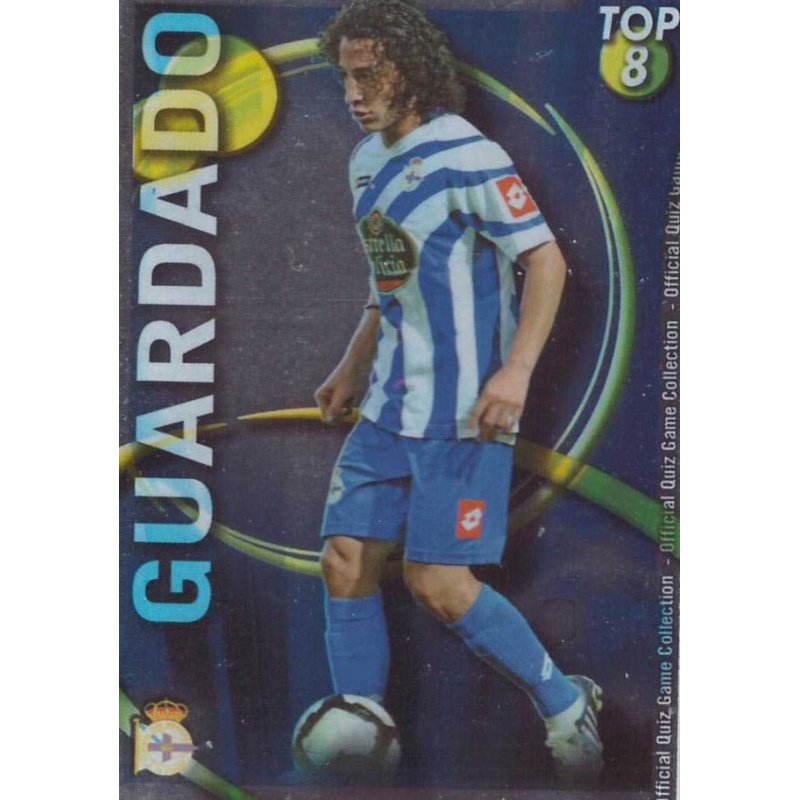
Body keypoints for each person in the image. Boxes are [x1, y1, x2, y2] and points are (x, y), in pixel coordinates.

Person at [314, 0, 602, 785]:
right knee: (344, 560)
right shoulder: (365, 162)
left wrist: (516, 371)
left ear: (410, 70)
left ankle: (566, 704)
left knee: (437, 585)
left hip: (466, 414)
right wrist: (352, 365)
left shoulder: (468, 154)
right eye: (346, 77)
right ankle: (363, 742)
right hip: (388, 408)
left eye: (369, 76)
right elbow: (389, 282)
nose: (354, 93)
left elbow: (545, 259)